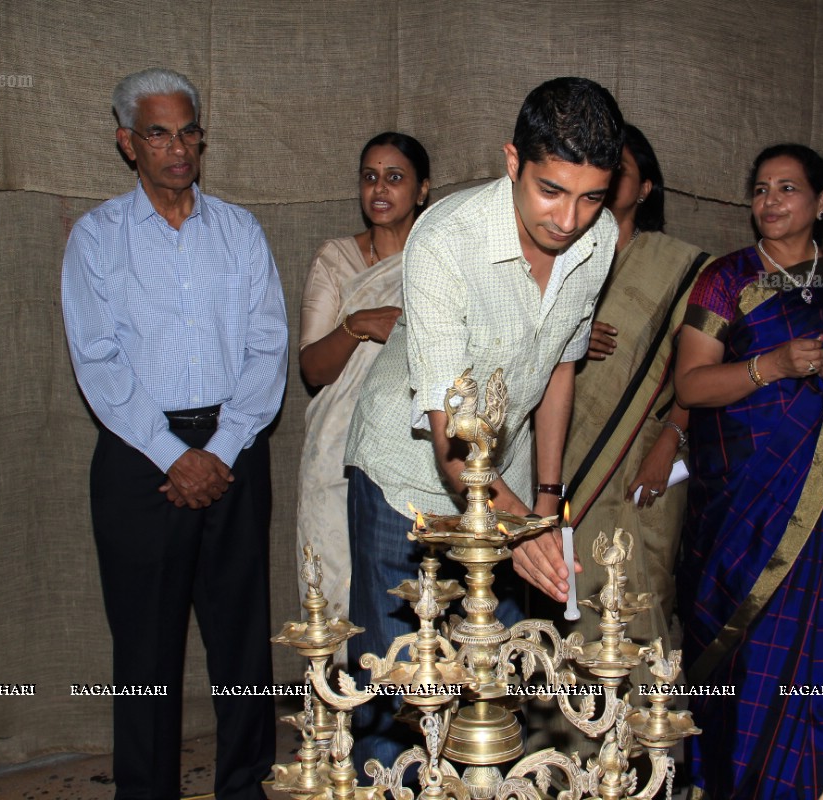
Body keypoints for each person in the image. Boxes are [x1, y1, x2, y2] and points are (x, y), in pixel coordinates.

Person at [343, 76, 624, 769]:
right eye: (551, 190)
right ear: (511, 161)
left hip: (507, 482)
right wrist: (522, 526)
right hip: (403, 476)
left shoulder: (601, 238)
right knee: (399, 691)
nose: (569, 219)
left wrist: (548, 508)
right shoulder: (445, 239)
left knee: (491, 688)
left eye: (592, 197)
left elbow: (561, 364)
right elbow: (447, 442)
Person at [61, 68, 288, 800]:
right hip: (139, 460)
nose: (177, 146)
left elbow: (268, 346)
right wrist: (173, 455)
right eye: (158, 133)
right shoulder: (97, 238)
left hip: (236, 450)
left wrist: (218, 452)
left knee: (244, 644)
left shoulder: (240, 230)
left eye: (188, 130)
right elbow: (98, 361)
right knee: (146, 651)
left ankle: (245, 786)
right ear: (128, 143)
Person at [673, 144, 823, 799]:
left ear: (821, 203)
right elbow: (689, 387)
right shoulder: (725, 278)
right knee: (738, 668)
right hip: (740, 516)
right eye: (761, 189)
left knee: (814, 662)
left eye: (788, 188)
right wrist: (769, 366)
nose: (770, 201)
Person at [550, 123, 710, 685]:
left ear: (645, 188)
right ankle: (571, 754)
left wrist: (670, 443)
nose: (611, 178)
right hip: (555, 461)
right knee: (562, 615)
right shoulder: (555, 258)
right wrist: (561, 339)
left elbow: (697, 372)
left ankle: (642, 752)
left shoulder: (681, 267)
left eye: (622, 169)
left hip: (643, 458)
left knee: (637, 605)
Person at [296, 132, 430, 624]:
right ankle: (337, 699)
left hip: (412, 451)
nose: (379, 188)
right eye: (370, 177)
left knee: (408, 602)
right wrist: (357, 325)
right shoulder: (336, 259)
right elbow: (313, 368)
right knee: (333, 592)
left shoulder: (437, 258)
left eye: (395, 178)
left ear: (421, 191)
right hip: (336, 453)